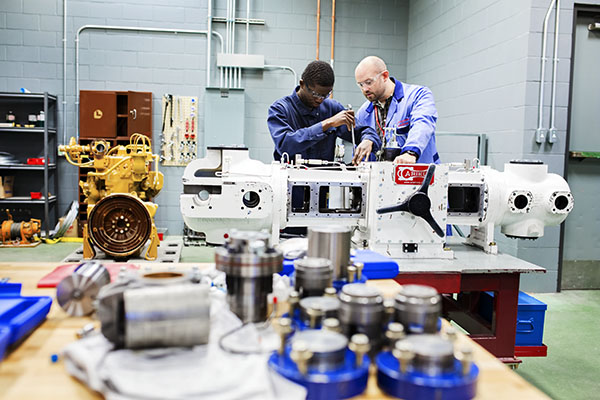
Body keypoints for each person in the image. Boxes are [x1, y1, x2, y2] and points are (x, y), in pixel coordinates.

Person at [267, 60, 380, 164]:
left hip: (321, 184)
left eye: (325, 95)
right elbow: (285, 145)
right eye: (316, 94)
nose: (320, 99)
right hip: (289, 184)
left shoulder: (332, 108)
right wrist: (327, 124)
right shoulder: (280, 109)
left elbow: (364, 131)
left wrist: (368, 140)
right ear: (302, 84)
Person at [353, 56, 440, 164]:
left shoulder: (418, 95)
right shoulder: (363, 113)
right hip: (381, 177)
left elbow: (422, 124)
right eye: (361, 85)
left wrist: (410, 152)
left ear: (384, 76)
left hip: (419, 176)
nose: (365, 89)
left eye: (369, 82)